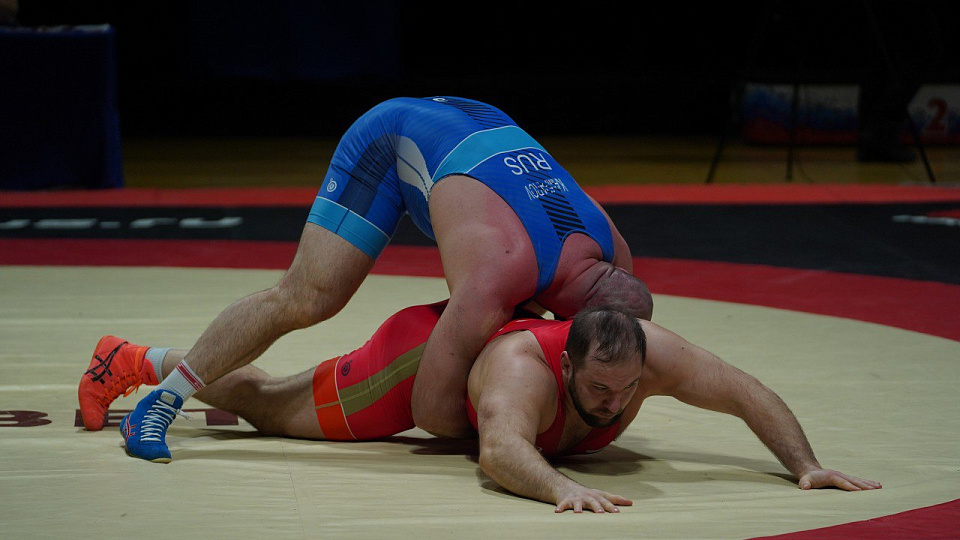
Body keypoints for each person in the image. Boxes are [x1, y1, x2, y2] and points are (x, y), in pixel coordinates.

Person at [83, 96, 653, 461]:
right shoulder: (496, 274)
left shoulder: (615, 254)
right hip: (393, 141)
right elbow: (432, 412)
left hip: (474, 128)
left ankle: (135, 360)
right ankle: (164, 402)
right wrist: (517, 427)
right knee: (307, 297)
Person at [79, 302, 880, 512]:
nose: (615, 405)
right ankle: (134, 360)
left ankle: (141, 361)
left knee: (268, 401)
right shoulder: (523, 374)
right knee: (266, 406)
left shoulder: (643, 355)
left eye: (629, 389)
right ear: (566, 365)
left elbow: (745, 390)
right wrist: (561, 487)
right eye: (598, 390)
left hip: (480, 363)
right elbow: (499, 453)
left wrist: (803, 465)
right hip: (414, 362)